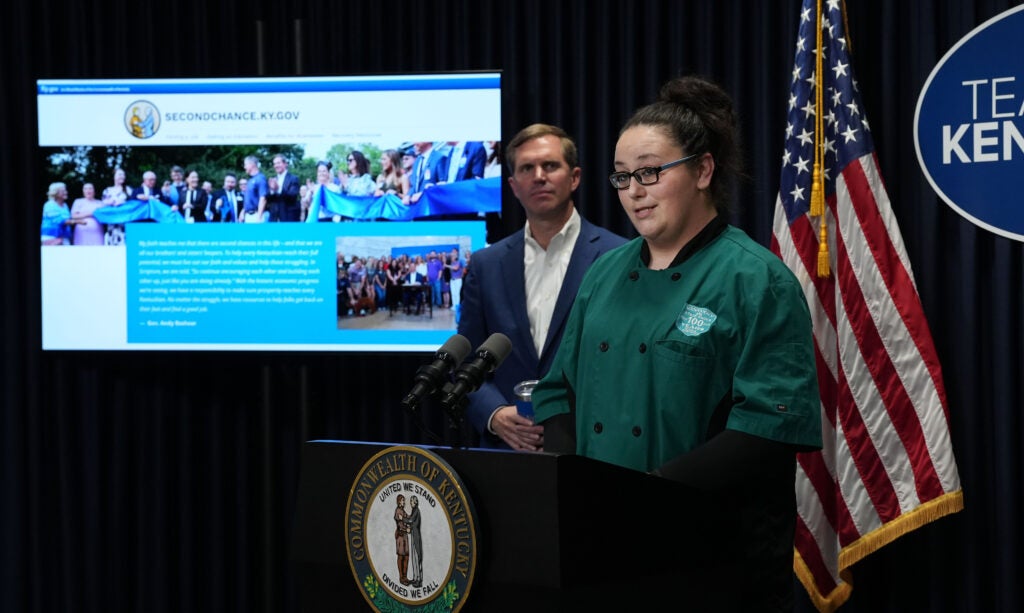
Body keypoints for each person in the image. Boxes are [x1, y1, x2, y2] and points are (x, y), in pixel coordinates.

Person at [531, 75, 823, 611]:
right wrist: (577, 499)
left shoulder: (756, 279)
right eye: (622, 177)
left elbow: (767, 431)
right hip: (599, 554)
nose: (634, 192)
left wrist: (643, 497)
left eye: (649, 172)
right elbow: (557, 391)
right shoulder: (604, 273)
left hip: (710, 561)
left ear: (703, 170)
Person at [457, 123, 627, 450]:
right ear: (513, 185)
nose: (538, 176)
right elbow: (467, 361)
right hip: (507, 453)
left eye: (550, 165)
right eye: (526, 168)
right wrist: (494, 414)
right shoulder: (485, 265)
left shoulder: (618, 256)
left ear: (574, 177)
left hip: (590, 448)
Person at [101, 168, 131, 245]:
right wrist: (110, 202)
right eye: (120, 174)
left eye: (123, 174)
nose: (122, 176)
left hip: (125, 224)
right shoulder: (107, 190)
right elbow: (102, 206)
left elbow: (132, 205)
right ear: (114, 176)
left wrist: (123, 203)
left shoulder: (129, 190)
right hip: (111, 224)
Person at [267, 153, 301, 221]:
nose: (276, 166)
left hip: (288, 218)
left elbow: (292, 196)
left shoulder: (293, 178)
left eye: (278, 163)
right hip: (274, 218)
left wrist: (278, 189)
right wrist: (272, 190)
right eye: (274, 164)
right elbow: (268, 200)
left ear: (285, 164)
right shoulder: (273, 180)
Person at [241, 155, 269, 223]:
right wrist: (243, 212)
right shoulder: (250, 180)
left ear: (251, 164)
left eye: (245, 165)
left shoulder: (260, 178)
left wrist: (259, 217)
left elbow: (263, 198)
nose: (244, 167)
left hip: (257, 215)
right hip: (248, 215)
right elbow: (248, 199)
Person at [405, 495, 423, 588]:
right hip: (413, 535)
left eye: (411, 501)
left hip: (416, 537)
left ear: (415, 502)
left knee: (417, 558)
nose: (410, 503)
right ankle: (415, 578)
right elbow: (413, 524)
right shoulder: (414, 510)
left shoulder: (416, 510)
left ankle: (419, 580)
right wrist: (410, 528)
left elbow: (411, 520)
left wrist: (402, 519)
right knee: (414, 558)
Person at [393, 494, 411, 586]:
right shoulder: (398, 511)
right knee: (401, 556)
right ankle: (401, 577)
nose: (404, 502)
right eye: (403, 500)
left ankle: (405, 577)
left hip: (405, 537)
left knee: (407, 557)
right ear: (399, 501)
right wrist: (406, 529)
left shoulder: (403, 511)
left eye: (404, 500)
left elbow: (408, 518)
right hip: (400, 536)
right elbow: (400, 524)